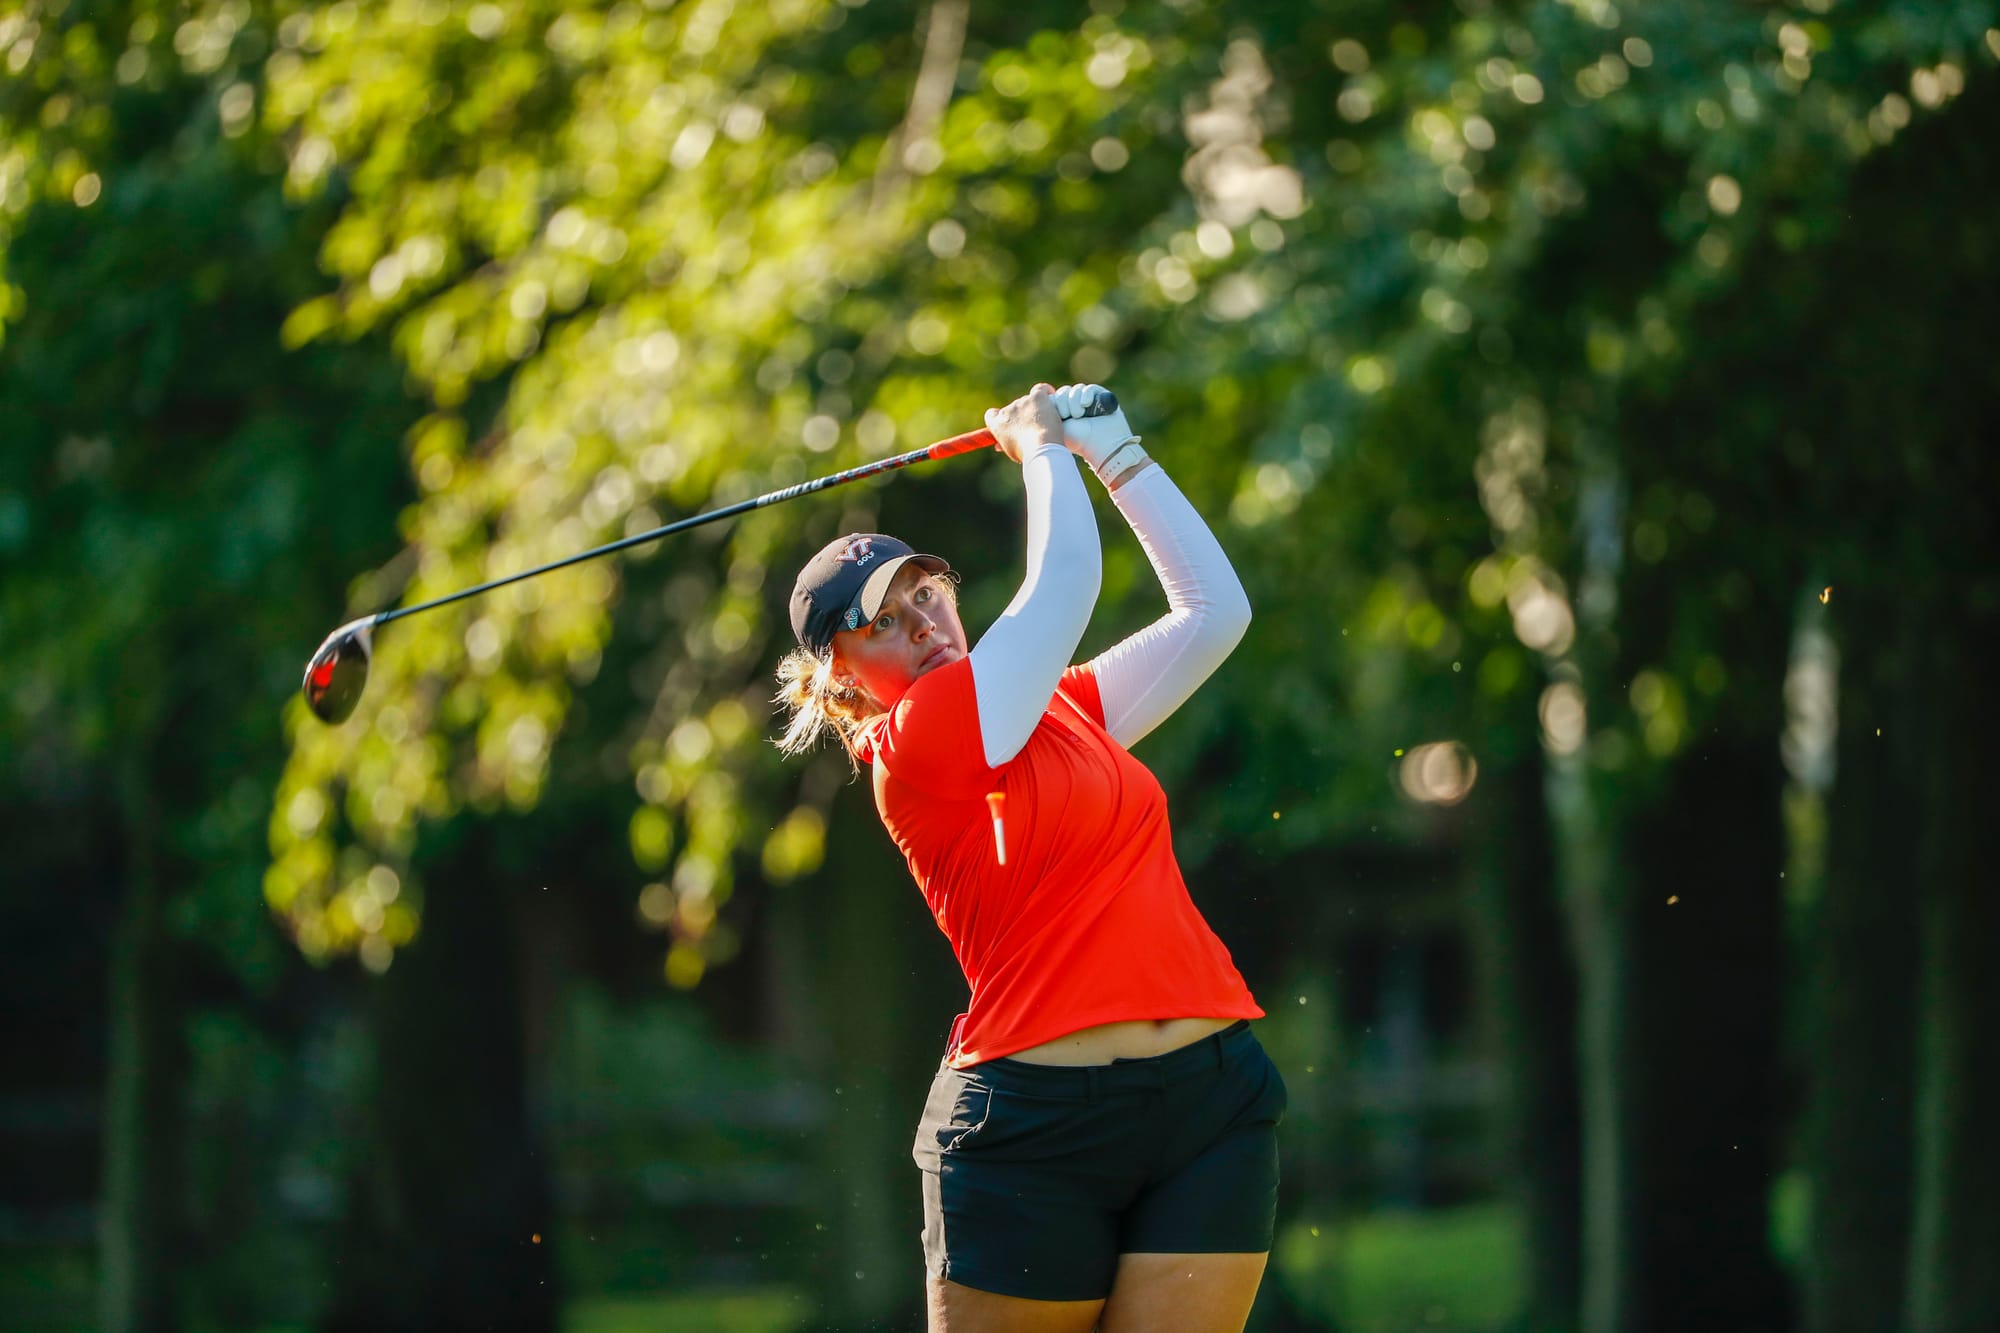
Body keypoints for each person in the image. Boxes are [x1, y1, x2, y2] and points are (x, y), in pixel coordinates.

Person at [775, 383, 1283, 1333]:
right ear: (842, 671)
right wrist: (1041, 448)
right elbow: (1064, 587)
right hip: (1034, 1129)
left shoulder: (1060, 706)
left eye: (928, 593)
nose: (925, 623)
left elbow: (1214, 612)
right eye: (884, 620)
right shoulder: (915, 741)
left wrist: (1118, 454)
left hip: (1205, 1101)